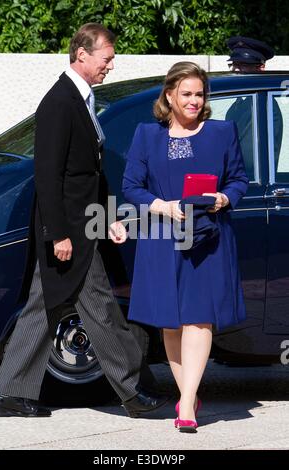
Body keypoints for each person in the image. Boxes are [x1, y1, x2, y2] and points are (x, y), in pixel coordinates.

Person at [0, 23, 168, 418]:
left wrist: (106, 218)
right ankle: (134, 390)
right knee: (100, 306)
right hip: (69, 231)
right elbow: (48, 174)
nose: (110, 66)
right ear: (82, 54)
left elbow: (88, 175)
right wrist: (58, 234)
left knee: (43, 306)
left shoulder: (80, 99)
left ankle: (8, 392)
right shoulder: (60, 102)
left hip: (81, 225)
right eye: (106, 59)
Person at [122, 62, 249, 432]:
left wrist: (224, 199)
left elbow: (239, 179)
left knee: (198, 317)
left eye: (200, 94)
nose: (195, 101)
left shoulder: (222, 132)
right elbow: (131, 186)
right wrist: (163, 206)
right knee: (171, 322)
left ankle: (188, 405)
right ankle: (188, 395)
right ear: (169, 96)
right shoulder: (147, 135)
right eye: (187, 94)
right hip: (161, 236)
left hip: (208, 237)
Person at [226, 36, 283, 174]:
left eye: (242, 65)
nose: (235, 70)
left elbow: (250, 159)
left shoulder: (264, 106)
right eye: (234, 64)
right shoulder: (238, 104)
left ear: (260, 68)